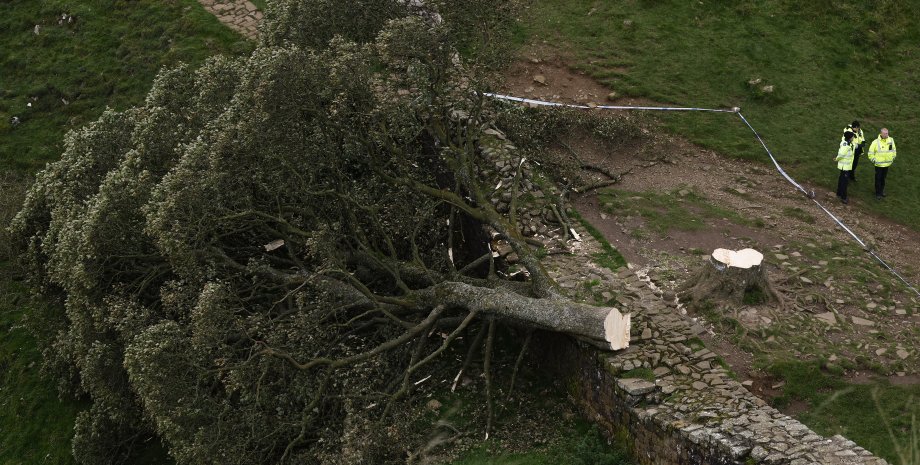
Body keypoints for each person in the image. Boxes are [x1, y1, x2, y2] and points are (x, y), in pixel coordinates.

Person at [867, 128, 897, 199]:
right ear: (881, 134)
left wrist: (893, 157)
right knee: (878, 179)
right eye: (885, 133)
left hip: (887, 164)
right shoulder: (875, 142)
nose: (887, 135)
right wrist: (874, 160)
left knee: (883, 178)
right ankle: (878, 193)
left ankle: (881, 191)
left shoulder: (891, 140)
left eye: (887, 133)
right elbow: (870, 153)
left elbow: (894, 150)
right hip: (879, 165)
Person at [835, 131, 855, 203]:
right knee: (844, 182)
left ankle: (839, 193)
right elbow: (841, 154)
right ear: (850, 138)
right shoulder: (846, 145)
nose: (853, 137)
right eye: (852, 136)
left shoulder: (849, 143)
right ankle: (844, 197)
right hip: (845, 166)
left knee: (841, 179)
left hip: (845, 166)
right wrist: (836, 159)